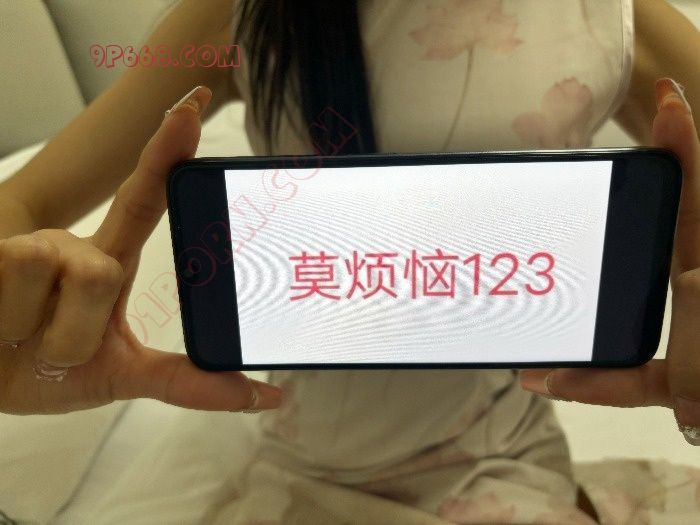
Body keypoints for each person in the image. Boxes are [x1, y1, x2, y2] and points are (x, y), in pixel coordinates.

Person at [1, 0, 700, 522]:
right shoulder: (243, 12)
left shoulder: (608, 16)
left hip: (504, 451)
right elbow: (26, 199)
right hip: (305, 459)